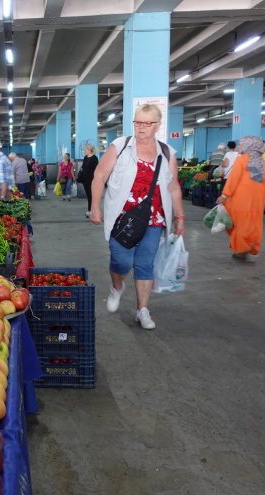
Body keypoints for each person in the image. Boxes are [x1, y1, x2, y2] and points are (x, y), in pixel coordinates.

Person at [89, 103, 185, 330]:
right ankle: (117, 286)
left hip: (154, 219)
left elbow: (173, 188)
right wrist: (95, 206)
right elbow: (99, 175)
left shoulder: (167, 153)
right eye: (138, 122)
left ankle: (142, 310)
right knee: (121, 261)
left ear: (157, 125)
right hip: (122, 218)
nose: (141, 127)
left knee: (145, 263)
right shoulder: (120, 146)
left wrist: (179, 217)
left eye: (147, 123)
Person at [216, 135, 265, 260]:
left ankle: (242, 248)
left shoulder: (241, 160)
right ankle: (250, 244)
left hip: (241, 198)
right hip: (258, 199)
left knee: (238, 223)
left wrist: (224, 195)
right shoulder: (262, 162)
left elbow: (233, 179)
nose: (238, 147)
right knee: (253, 223)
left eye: (240, 144)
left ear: (249, 145)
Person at [79, 144, 99, 218]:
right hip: (85, 180)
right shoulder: (85, 158)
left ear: (89, 150)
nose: (84, 151)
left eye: (85, 150)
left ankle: (90, 210)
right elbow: (83, 168)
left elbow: (96, 170)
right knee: (88, 195)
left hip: (92, 180)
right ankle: (90, 210)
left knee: (91, 195)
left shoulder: (94, 159)